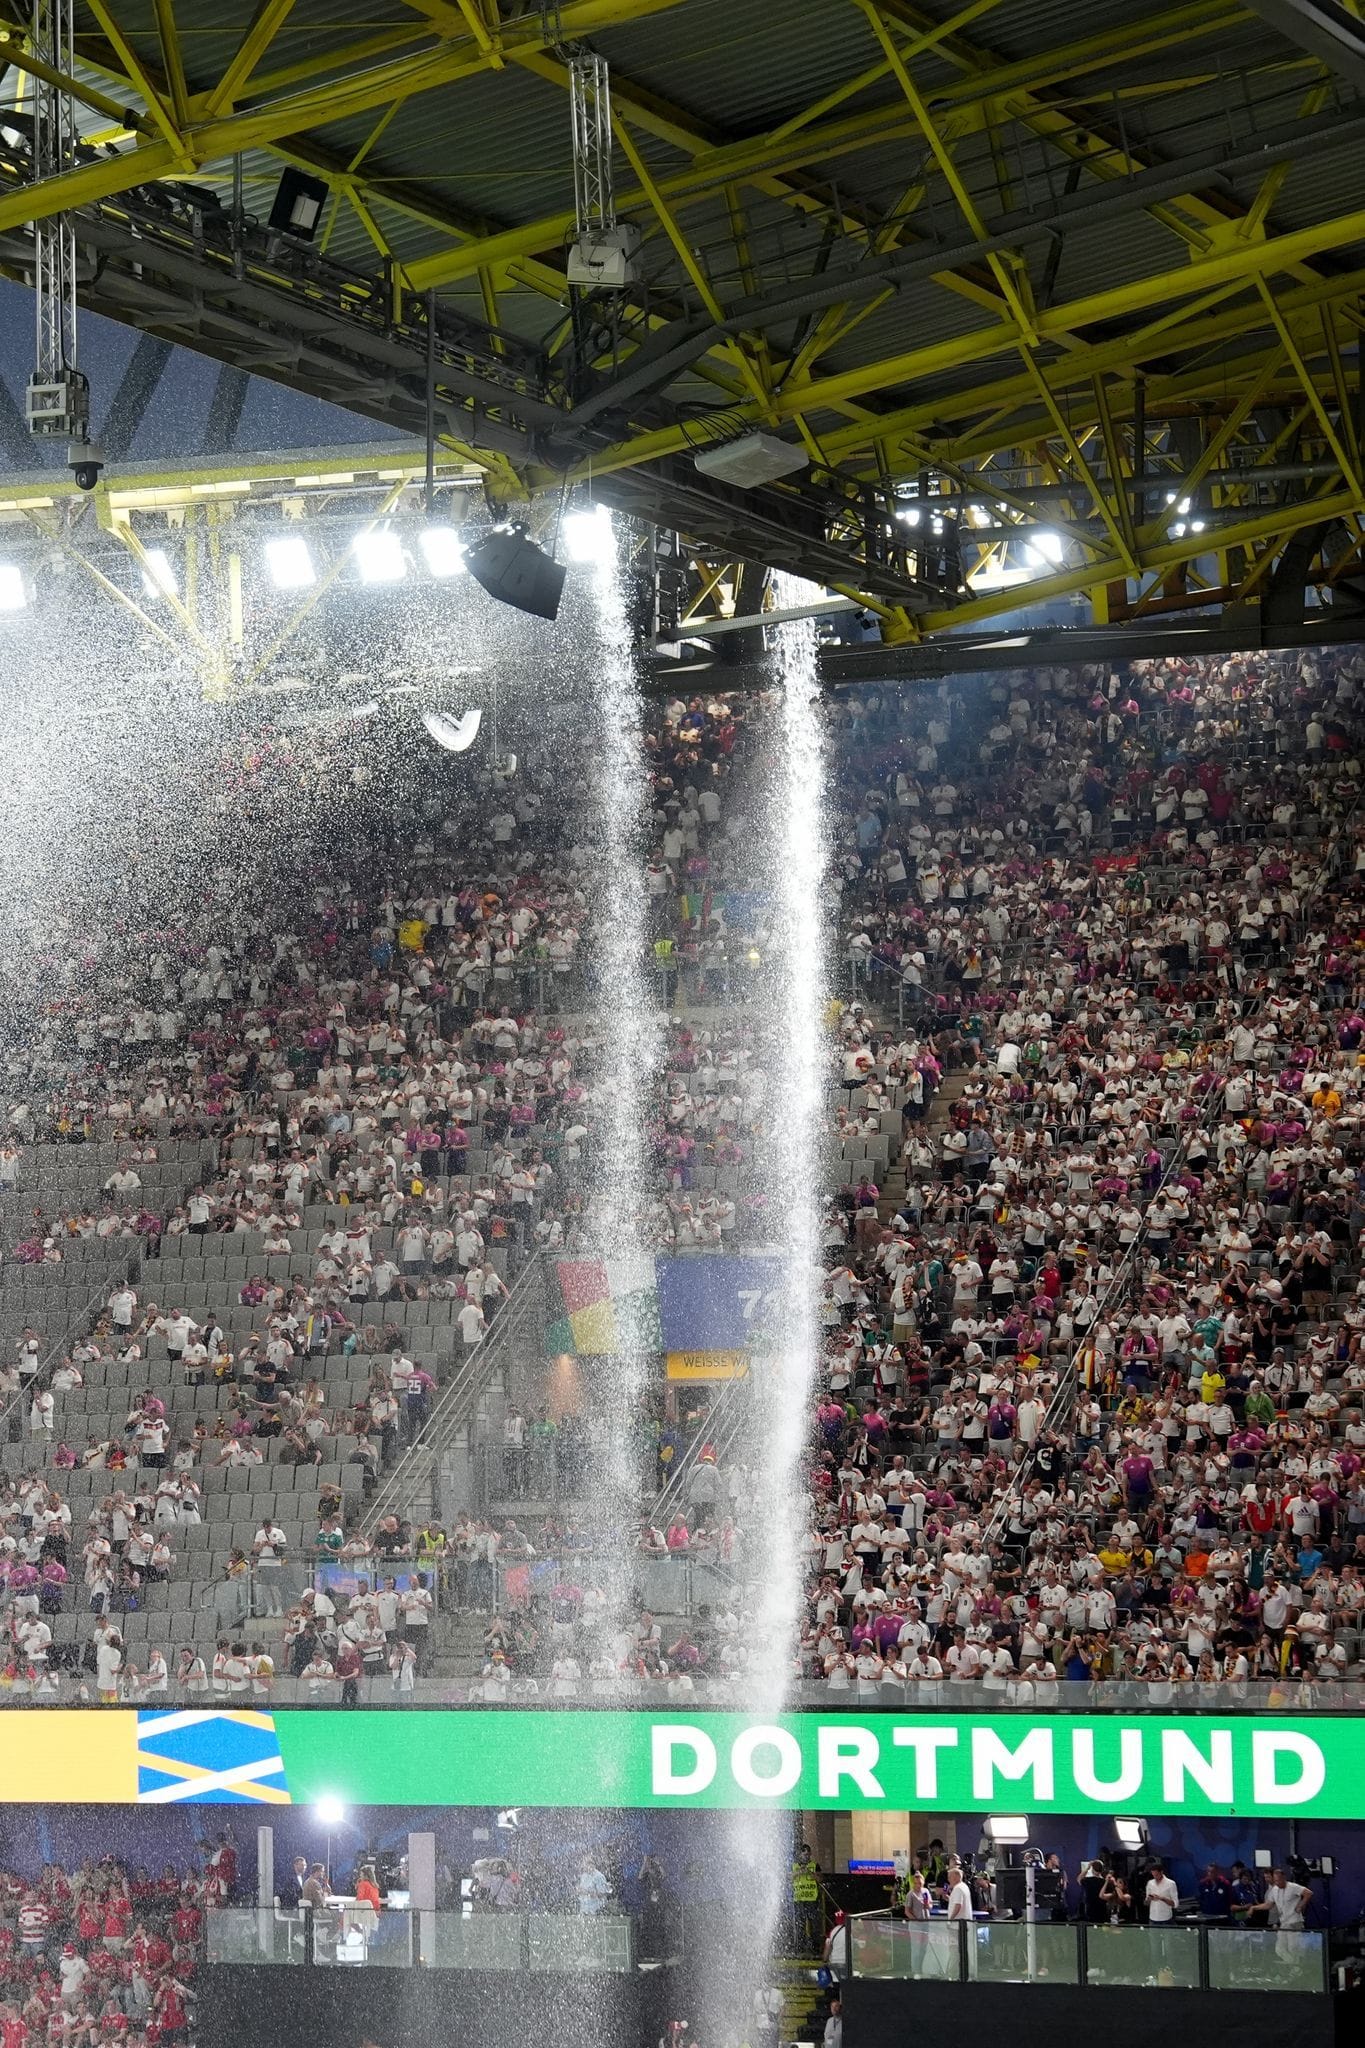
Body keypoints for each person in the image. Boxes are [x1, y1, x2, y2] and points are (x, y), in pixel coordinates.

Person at [790, 1842, 822, 1954]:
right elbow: (789, 1877)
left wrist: (809, 1872)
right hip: (799, 1900)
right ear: (799, 1855)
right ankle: (800, 1947)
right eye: (804, 1855)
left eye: (808, 1854)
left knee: (814, 1925)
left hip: (812, 1900)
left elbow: (820, 1879)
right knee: (800, 1924)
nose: (807, 1857)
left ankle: (815, 1948)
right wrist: (800, 1871)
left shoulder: (814, 1865)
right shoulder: (794, 1866)